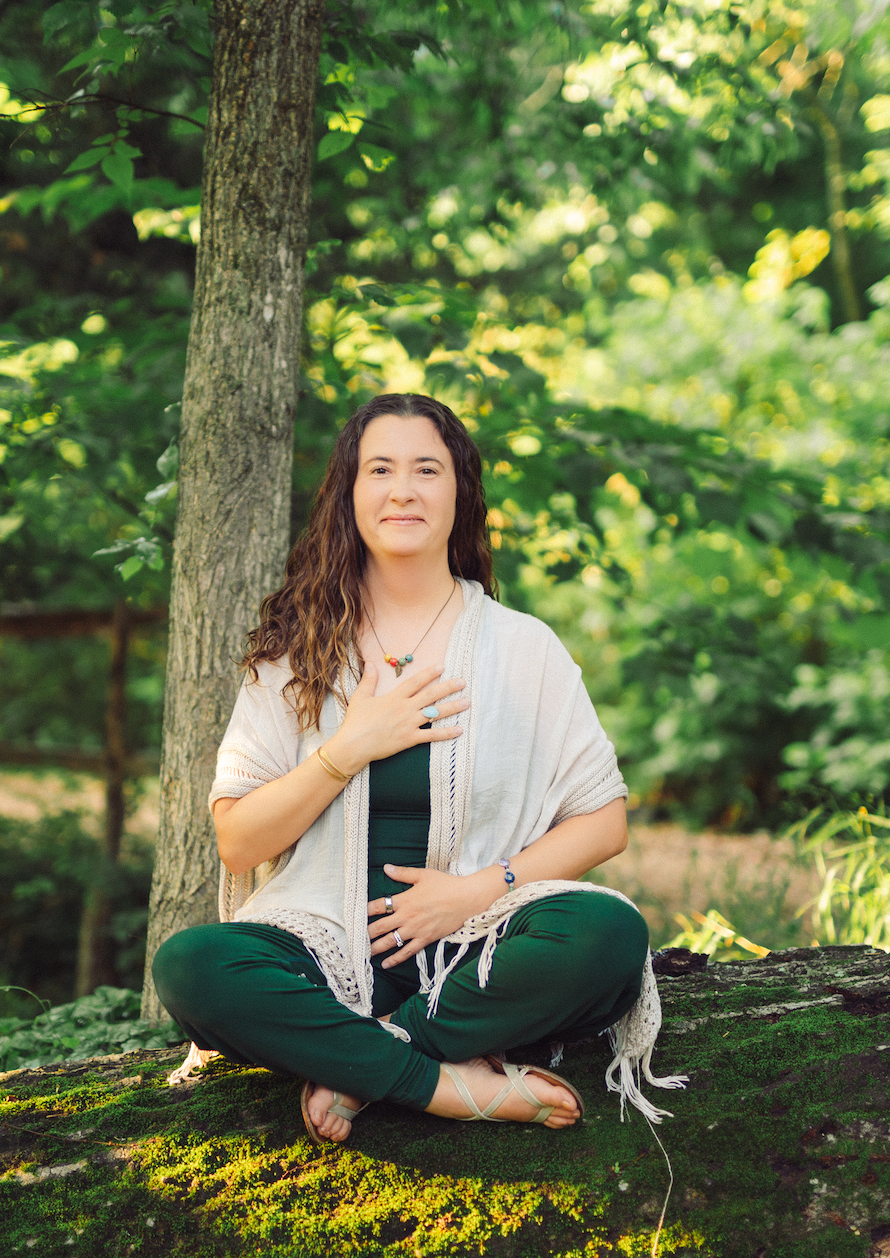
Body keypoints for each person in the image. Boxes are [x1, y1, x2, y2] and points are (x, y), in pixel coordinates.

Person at [153, 392, 682, 1143]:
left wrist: (474, 894)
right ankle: (438, 1085)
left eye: (427, 469)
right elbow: (239, 842)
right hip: (320, 952)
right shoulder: (295, 651)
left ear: (460, 494)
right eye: (380, 469)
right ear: (350, 493)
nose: (403, 489)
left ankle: (360, 1062)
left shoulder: (523, 648)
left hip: (476, 950)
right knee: (191, 965)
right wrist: (347, 748)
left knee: (606, 933)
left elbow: (604, 822)